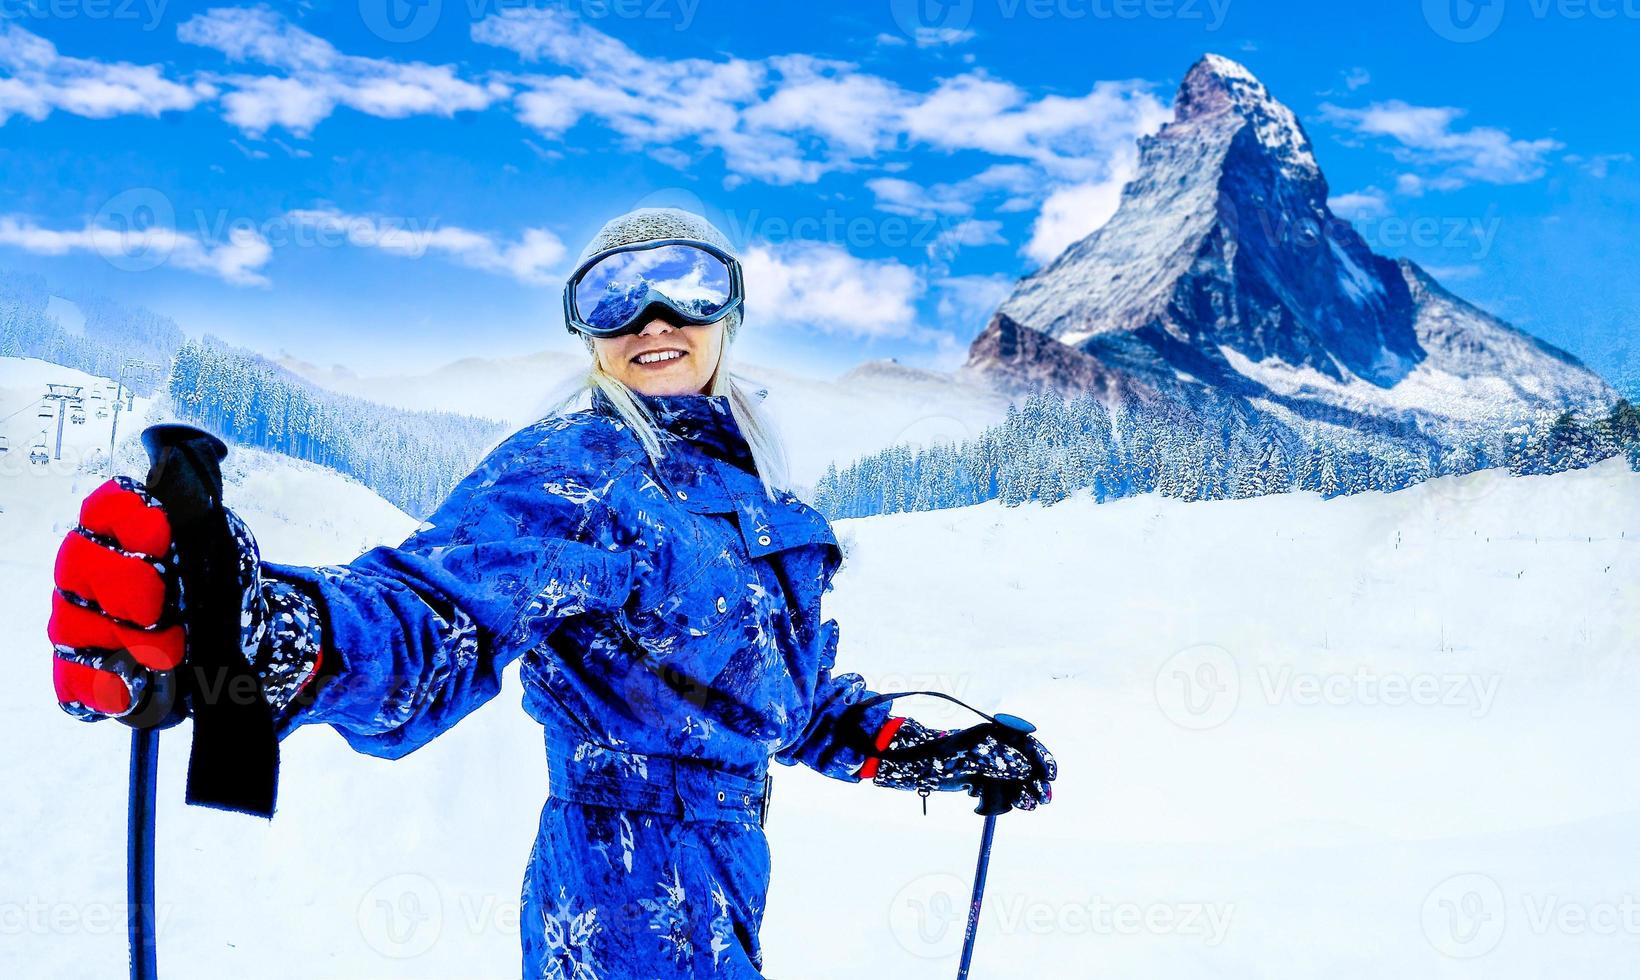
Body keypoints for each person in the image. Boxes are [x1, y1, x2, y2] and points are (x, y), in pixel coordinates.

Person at [47, 207, 1057, 978]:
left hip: (727, 886)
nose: (653, 317)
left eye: (684, 286)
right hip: (615, 889)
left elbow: (786, 703)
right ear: (586, 330)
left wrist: (930, 750)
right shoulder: (578, 467)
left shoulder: (757, 496)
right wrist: (268, 627)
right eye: (615, 296)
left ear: (728, 313)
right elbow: (433, 611)